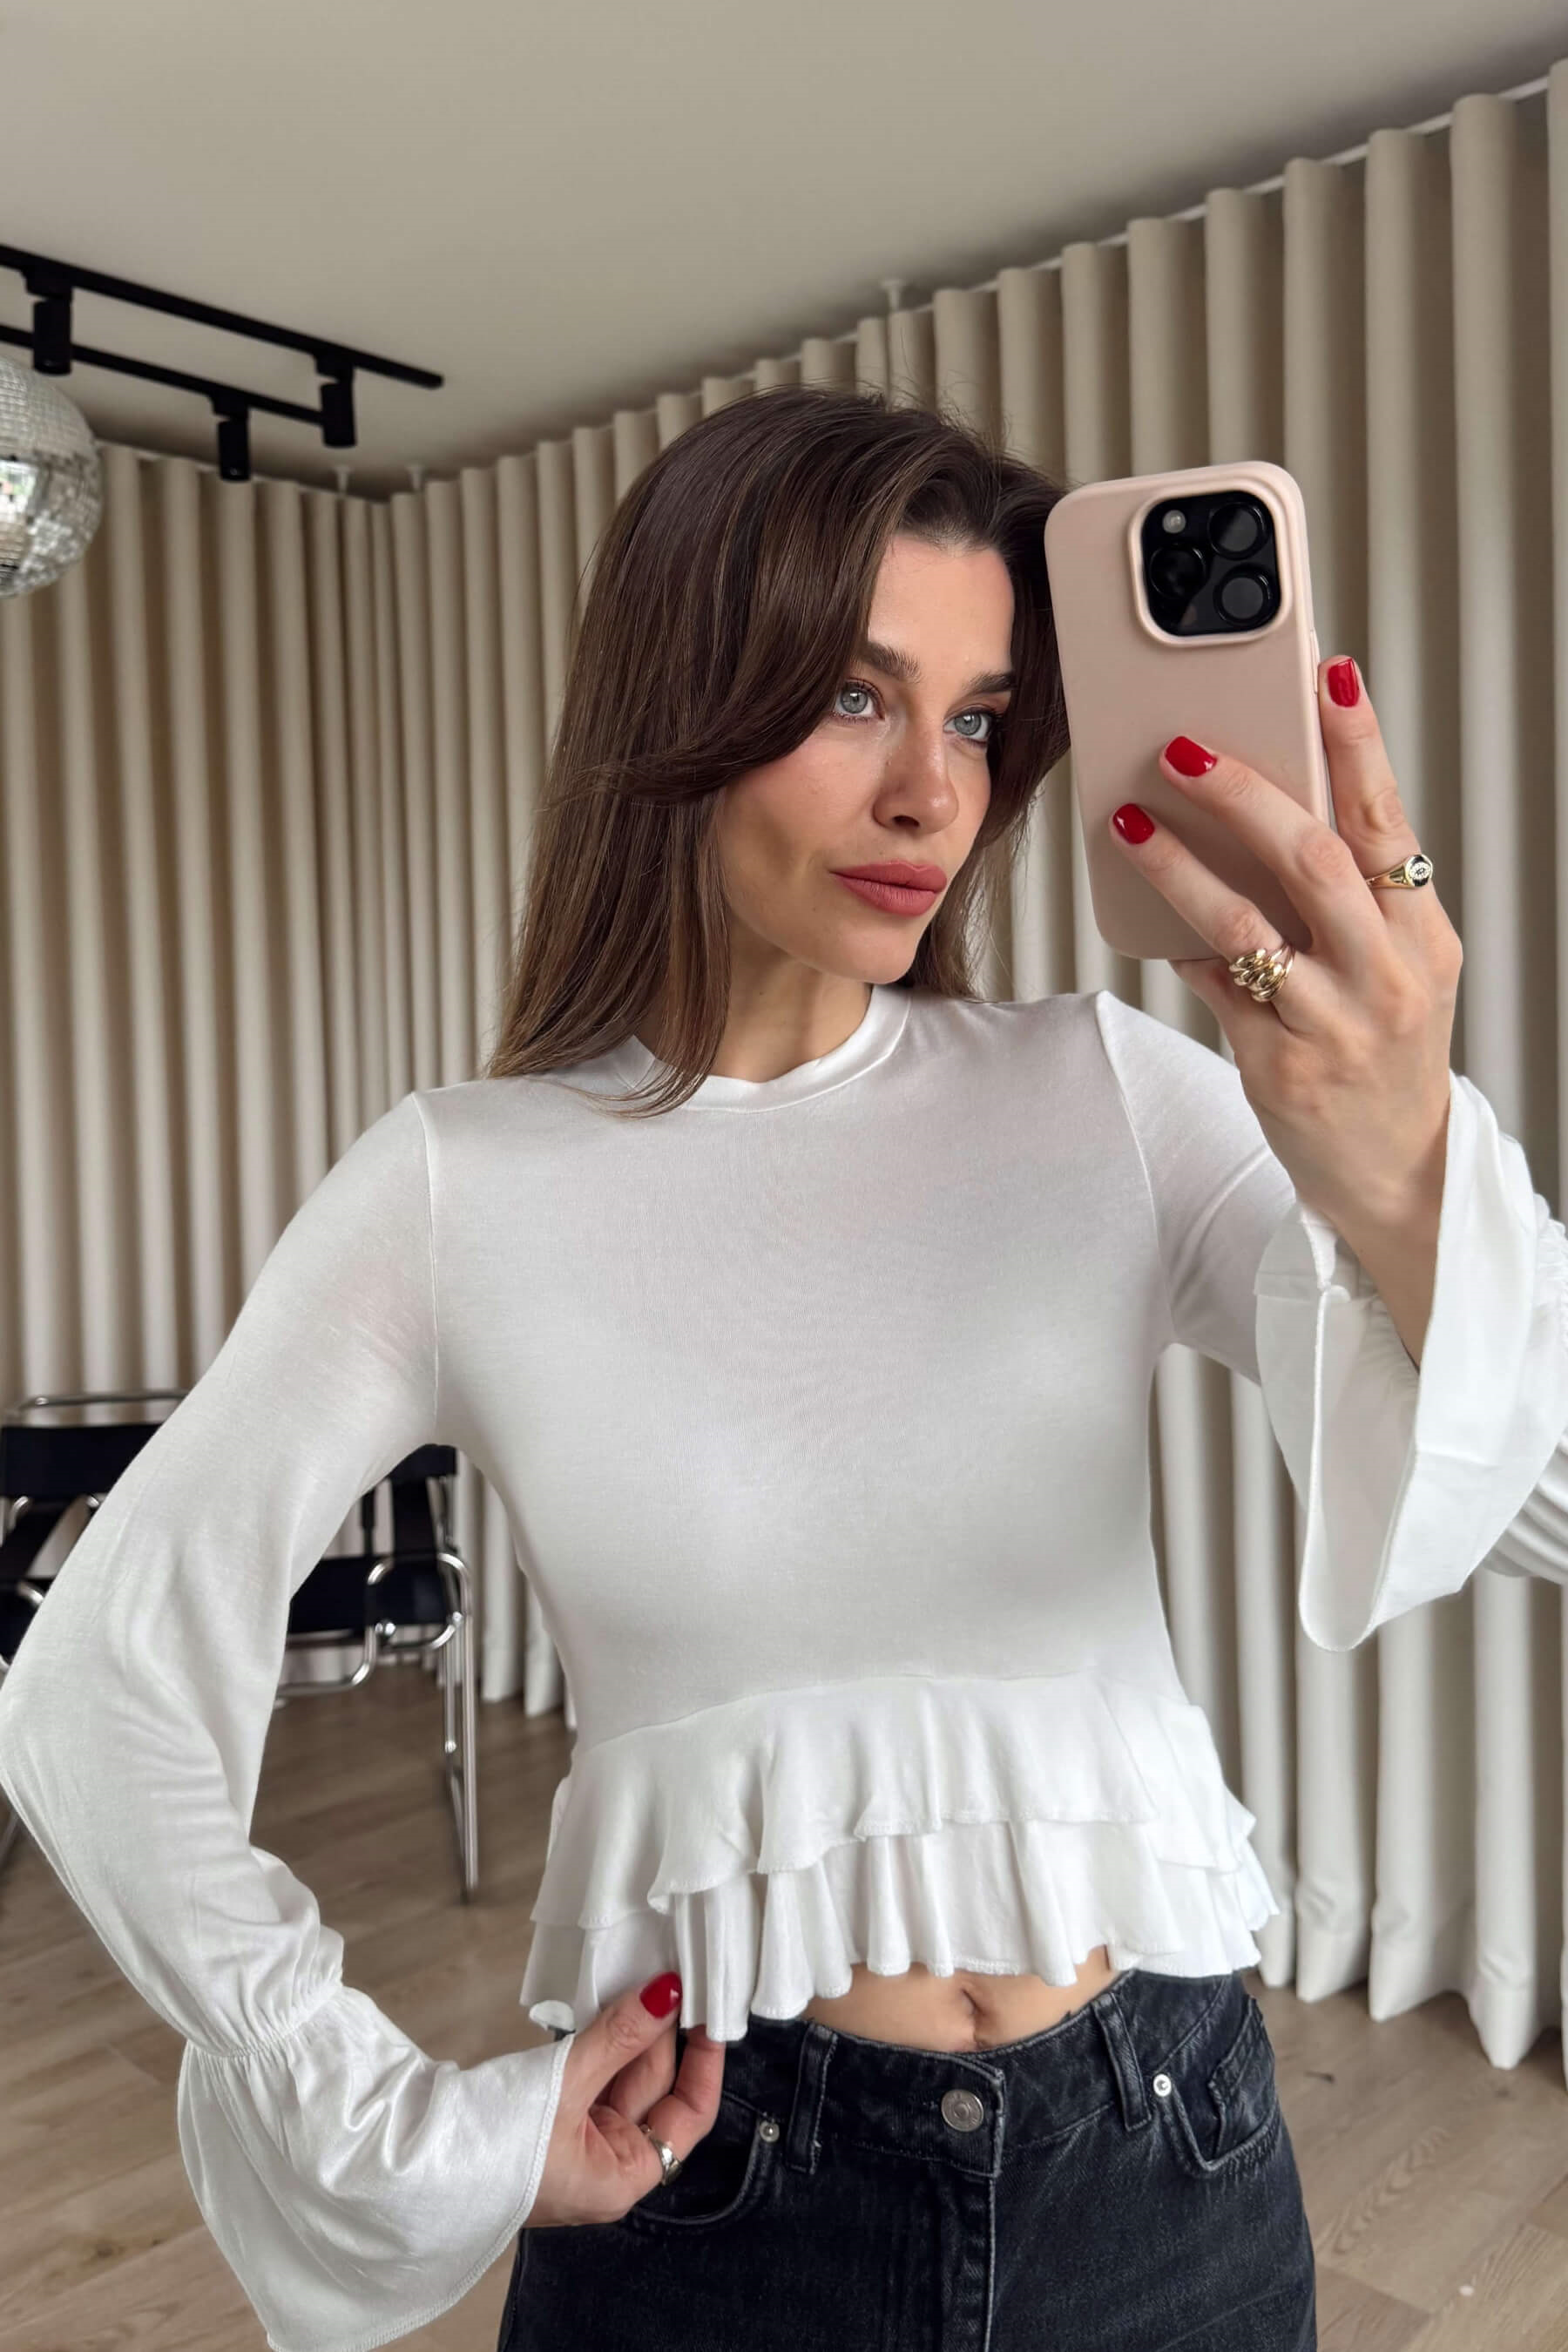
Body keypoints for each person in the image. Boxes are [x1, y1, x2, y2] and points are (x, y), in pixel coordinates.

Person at [3, 385, 1568, 2352]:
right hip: (720, 2200)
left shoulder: (1100, 1087)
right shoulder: (456, 1188)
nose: (934, 795)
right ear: (684, 696)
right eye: (851, 697)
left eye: (980, 719)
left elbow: (1535, 1496)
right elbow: (96, 1692)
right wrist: (402, 2128)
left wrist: (1404, 1161)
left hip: (1161, 2165)